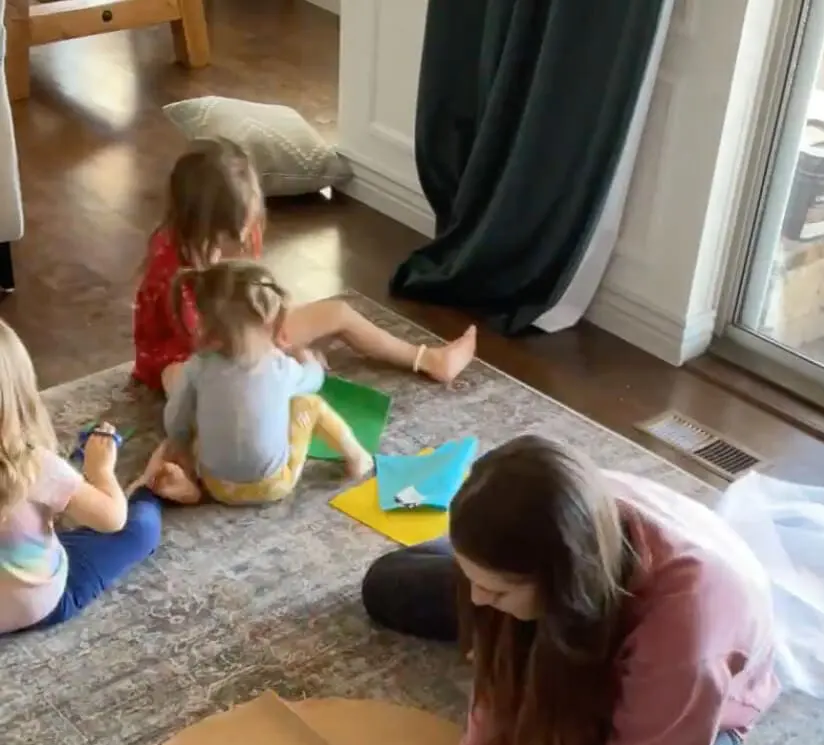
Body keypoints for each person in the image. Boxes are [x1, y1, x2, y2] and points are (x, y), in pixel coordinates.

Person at [361, 435, 779, 745]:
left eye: (497, 592)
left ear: (563, 592)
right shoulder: (552, 547)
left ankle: (711, 737)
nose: (478, 601)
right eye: (472, 578)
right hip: (580, 579)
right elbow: (497, 685)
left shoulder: (685, 637)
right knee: (389, 584)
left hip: (702, 683)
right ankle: (488, 573)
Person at [133, 138, 477, 397]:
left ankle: (429, 360)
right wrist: (284, 356)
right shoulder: (171, 269)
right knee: (189, 384)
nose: (246, 236)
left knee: (338, 313)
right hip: (190, 359)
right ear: (210, 223)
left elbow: (251, 305)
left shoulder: (214, 243)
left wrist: (281, 334)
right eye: (239, 228)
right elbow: (216, 352)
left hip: (240, 334)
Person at [141, 259, 373, 506]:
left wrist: (180, 444)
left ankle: (188, 480)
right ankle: (357, 458)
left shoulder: (198, 365)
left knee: (200, 412)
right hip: (273, 485)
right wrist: (308, 358)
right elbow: (313, 381)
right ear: (270, 323)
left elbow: (176, 419)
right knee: (311, 404)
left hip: (215, 484)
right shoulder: (279, 367)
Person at [0, 322, 161, 635]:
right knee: (140, 529)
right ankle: (151, 489)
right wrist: (99, 470)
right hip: (37, 603)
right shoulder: (35, 465)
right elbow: (111, 519)